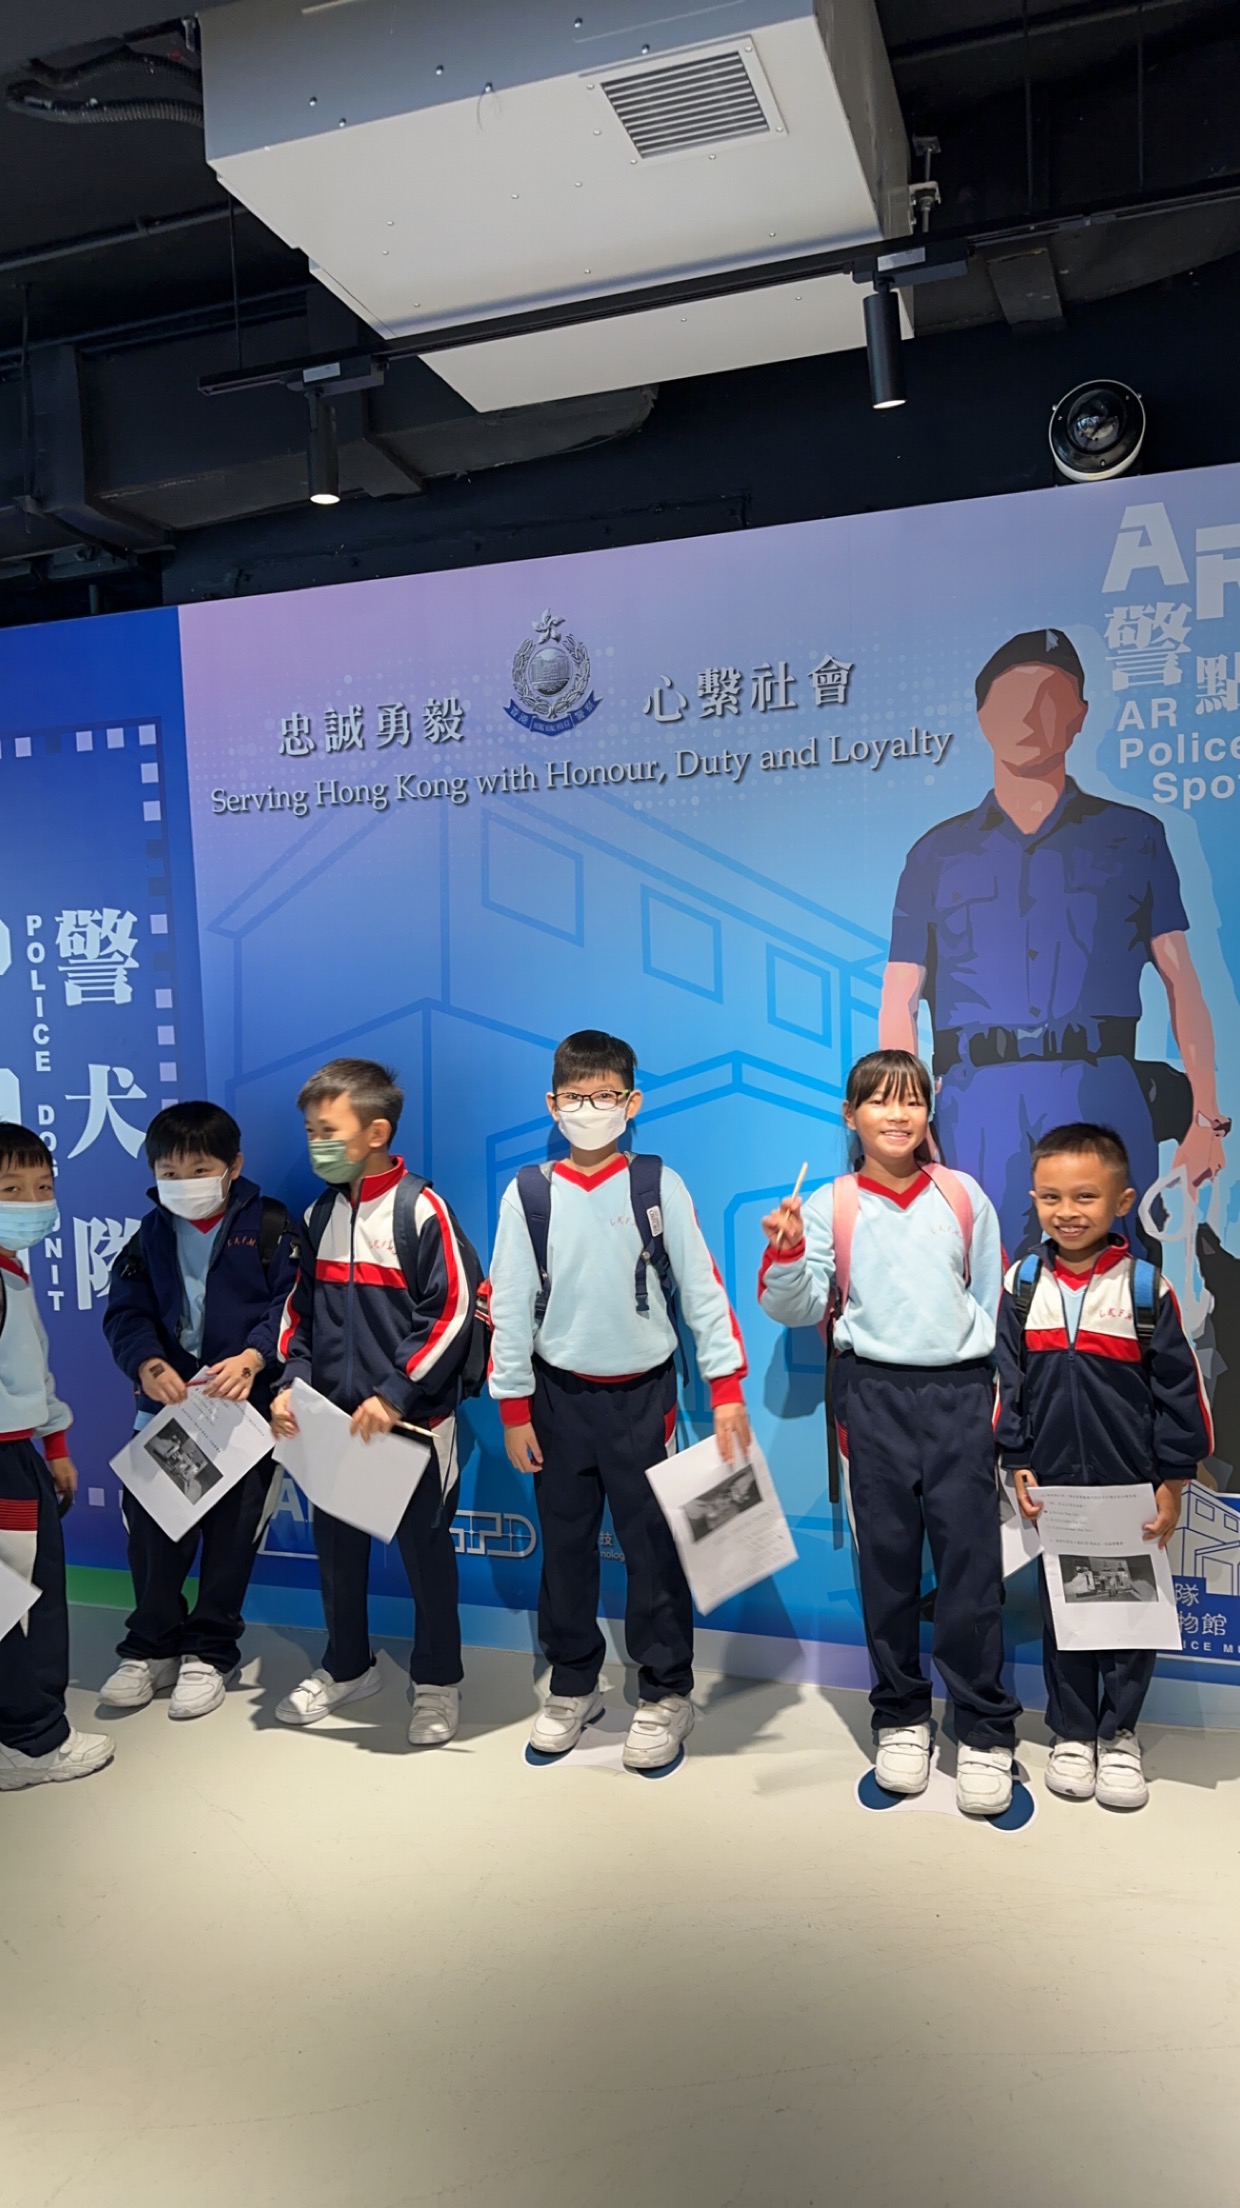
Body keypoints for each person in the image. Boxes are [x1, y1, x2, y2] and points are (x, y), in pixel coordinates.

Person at [879, 628, 1228, 1255]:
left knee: (1116, 1279)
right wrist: (907, 1119)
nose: (1029, 718)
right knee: (983, 1276)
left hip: (1101, 1091)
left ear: (1080, 717)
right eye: (1012, 701)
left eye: (1050, 700)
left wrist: (1206, 1118)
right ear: (982, 716)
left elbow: (1182, 981)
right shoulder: (935, 854)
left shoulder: (1135, 838)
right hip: (975, 1102)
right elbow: (899, 997)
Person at [758, 1049, 1020, 1815]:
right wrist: (785, 1252)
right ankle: (901, 1718)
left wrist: (993, 1400)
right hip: (872, 1397)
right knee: (888, 1568)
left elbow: (991, 1302)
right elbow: (795, 1307)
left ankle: (983, 1729)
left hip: (960, 1397)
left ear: (928, 1113)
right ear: (851, 1116)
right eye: (879, 1101)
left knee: (972, 1572)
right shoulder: (829, 1203)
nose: (897, 1114)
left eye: (911, 1100)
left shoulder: (962, 1195)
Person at [488, 1028, 750, 1771]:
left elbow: (703, 1292)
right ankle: (572, 1683)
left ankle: (666, 1692)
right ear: (552, 1104)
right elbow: (509, 1305)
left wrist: (726, 1389)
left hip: (645, 1400)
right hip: (556, 1402)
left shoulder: (657, 1185)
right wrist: (513, 1407)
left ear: (631, 1104)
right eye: (575, 1098)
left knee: (653, 1551)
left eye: (604, 1096)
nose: (589, 1109)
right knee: (565, 1551)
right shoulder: (528, 1193)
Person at [995, 1121, 1211, 1809]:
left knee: (1128, 1614)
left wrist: (1172, 1481)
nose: (1067, 1211)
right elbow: (1007, 1385)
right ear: (1034, 1199)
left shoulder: (1147, 1290)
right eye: (1051, 1197)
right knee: (1066, 1612)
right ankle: (1072, 1731)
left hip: (1131, 1488)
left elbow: (1181, 1396)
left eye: (1085, 1196)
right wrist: (1017, 1460)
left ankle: (1119, 1735)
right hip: (1056, 1489)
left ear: (1122, 1201)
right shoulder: (1022, 1285)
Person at [270, 1058, 478, 1747]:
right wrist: (292, 1385)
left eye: (328, 1131)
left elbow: (451, 1312)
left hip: (413, 1427)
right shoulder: (318, 1214)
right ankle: (348, 1665)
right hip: (336, 1425)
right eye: (310, 1131)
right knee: (337, 1555)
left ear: (377, 1132)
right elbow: (298, 1314)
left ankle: (438, 1682)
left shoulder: (421, 1210)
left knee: (426, 1558)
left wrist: (394, 1395)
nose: (316, 1144)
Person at [101, 1102, 298, 1719]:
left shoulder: (271, 1226)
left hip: (242, 1415)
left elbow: (293, 1304)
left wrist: (255, 1357)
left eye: (200, 1169)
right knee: (156, 1535)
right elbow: (125, 1313)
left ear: (233, 1166)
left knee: (231, 1540)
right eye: (170, 1172)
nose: (184, 1183)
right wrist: (146, 1364)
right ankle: (151, 1647)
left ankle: (209, 1653)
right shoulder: (150, 1235)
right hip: (171, 1413)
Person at [0, 1123, 113, 1789]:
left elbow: (32, 1374)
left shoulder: (11, 1272)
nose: (33, 1201)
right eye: (11, 1189)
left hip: (22, 1453)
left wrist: (57, 1445)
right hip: (4, 1467)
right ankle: (33, 1741)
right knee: (22, 1603)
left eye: (42, 1186)